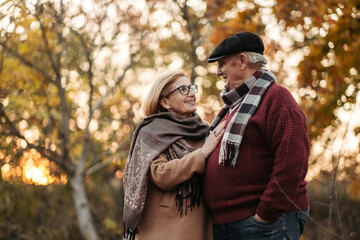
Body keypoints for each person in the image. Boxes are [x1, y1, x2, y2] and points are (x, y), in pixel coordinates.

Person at [203, 32, 310, 240]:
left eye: (222, 63)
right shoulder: (233, 107)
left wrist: (265, 214)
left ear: (242, 61)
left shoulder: (276, 97)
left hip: (262, 223)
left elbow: (292, 160)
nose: (218, 72)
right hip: (226, 224)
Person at [123, 70, 226, 240]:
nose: (192, 94)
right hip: (166, 227)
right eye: (183, 90)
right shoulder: (152, 131)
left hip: (202, 220)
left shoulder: (204, 130)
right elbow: (161, 174)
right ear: (165, 101)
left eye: (192, 88)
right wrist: (202, 153)